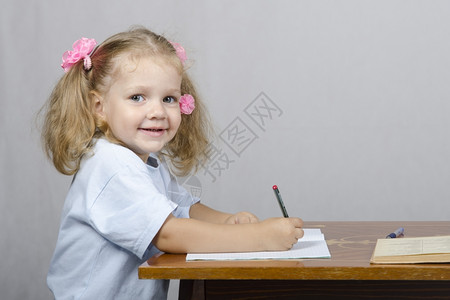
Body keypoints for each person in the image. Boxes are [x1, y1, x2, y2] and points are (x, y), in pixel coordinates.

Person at [40, 26, 304, 299]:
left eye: (169, 98)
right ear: (99, 107)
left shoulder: (145, 162)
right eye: (137, 97)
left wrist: (228, 220)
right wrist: (259, 238)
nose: (157, 112)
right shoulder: (111, 165)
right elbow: (167, 234)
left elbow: (185, 209)